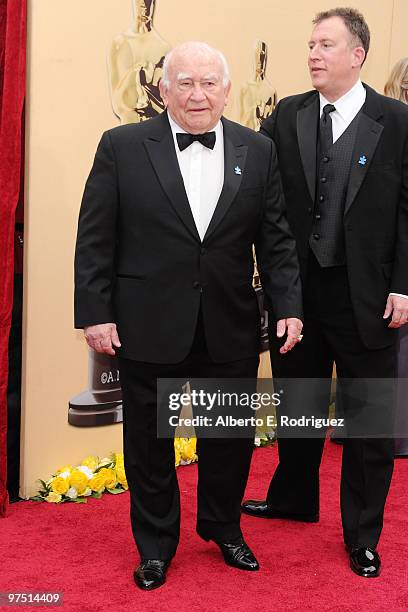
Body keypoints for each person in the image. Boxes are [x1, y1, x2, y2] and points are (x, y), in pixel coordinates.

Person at [75, 41, 303, 590]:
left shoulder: (258, 149)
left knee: (227, 438)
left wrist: (289, 306)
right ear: (163, 88)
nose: (197, 94)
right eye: (185, 83)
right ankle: (155, 546)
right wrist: (94, 312)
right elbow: (95, 238)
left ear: (226, 91)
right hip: (146, 320)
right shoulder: (122, 146)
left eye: (209, 84)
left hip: (228, 321)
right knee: (148, 445)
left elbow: (276, 240)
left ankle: (224, 527)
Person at [242, 7, 408, 578]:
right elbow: (266, 207)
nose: (313, 53)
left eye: (326, 45)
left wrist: (405, 286)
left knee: (369, 425)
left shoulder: (399, 121)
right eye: (311, 44)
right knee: (300, 407)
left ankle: (363, 535)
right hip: (299, 296)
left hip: (372, 298)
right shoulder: (286, 115)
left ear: (358, 55)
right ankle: (293, 498)